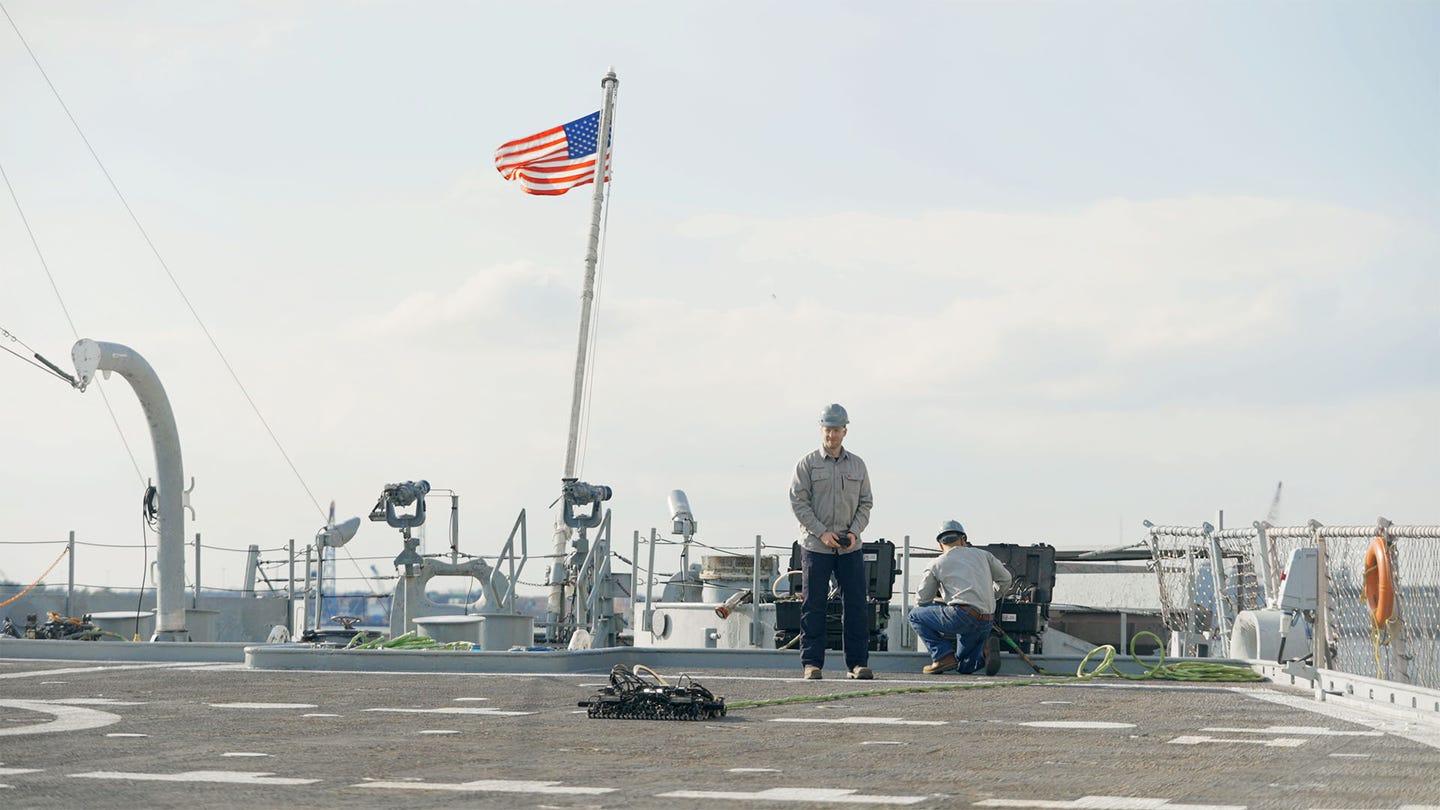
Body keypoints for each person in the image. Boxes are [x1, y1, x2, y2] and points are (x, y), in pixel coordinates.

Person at [789, 403, 875, 680]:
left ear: (844, 431)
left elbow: (866, 503)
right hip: (816, 546)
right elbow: (798, 502)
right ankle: (812, 664)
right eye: (828, 430)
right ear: (822, 430)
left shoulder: (858, 465)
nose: (832, 435)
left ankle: (857, 664)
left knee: (857, 605)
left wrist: (854, 532)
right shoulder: (807, 464)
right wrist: (821, 532)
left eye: (836, 430)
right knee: (814, 604)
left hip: (850, 545)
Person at [908, 520, 1012, 675]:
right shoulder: (983, 555)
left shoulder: (937, 563)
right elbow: (1006, 579)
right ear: (963, 539)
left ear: (940, 545)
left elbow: (922, 601)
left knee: (915, 616)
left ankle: (942, 656)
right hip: (986, 620)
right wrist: (991, 596)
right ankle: (985, 652)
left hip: (962, 617)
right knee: (964, 667)